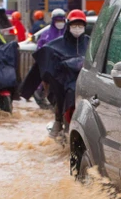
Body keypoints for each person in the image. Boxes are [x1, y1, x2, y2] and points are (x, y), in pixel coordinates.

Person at [21, 9, 89, 138]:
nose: (77, 29)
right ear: (69, 26)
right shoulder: (54, 43)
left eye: (80, 26)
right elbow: (43, 59)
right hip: (65, 84)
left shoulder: (90, 44)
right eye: (75, 25)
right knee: (63, 95)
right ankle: (59, 121)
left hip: (87, 84)